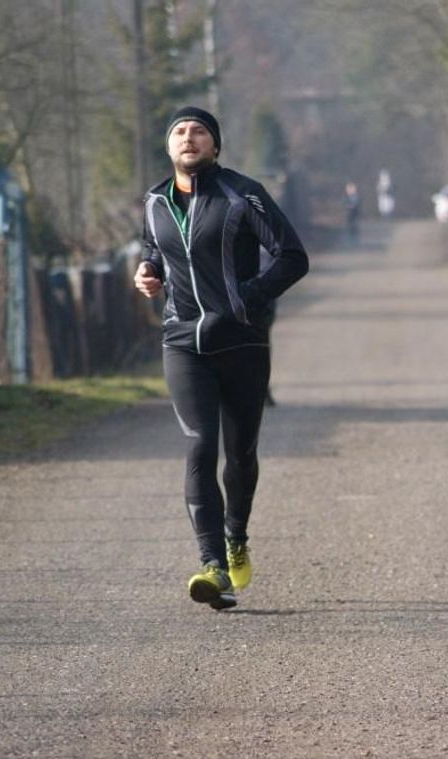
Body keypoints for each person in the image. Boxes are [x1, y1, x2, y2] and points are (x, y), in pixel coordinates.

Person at [133, 106, 309, 611]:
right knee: (199, 445)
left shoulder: (243, 194)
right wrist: (146, 272)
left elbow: (293, 256)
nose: (189, 138)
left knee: (241, 454)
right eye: (180, 132)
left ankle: (236, 537)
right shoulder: (153, 201)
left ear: (215, 145)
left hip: (242, 344)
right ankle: (211, 564)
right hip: (182, 342)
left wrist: (248, 298)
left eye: (199, 131)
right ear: (169, 148)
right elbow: (153, 249)